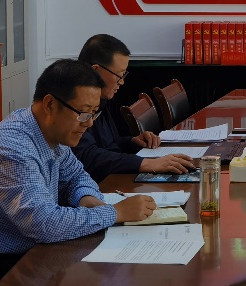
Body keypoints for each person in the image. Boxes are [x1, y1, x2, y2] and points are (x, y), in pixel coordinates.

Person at [0, 59, 157, 286]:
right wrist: (115, 213)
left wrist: (88, 199)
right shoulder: (13, 149)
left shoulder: (48, 131)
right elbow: (44, 224)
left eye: (94, 113)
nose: (89, 123)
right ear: (50, 104)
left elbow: (76, 175)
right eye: (83, 113)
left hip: (27, 253)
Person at [72, 33, 196, 179]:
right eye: (119, 75)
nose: (122, 82)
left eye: (124, 75)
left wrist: (132, 142)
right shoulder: (73, 102)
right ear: (95, 70)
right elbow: (87, 156)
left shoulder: (102, 98)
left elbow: (107, 145)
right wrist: (146, 163)